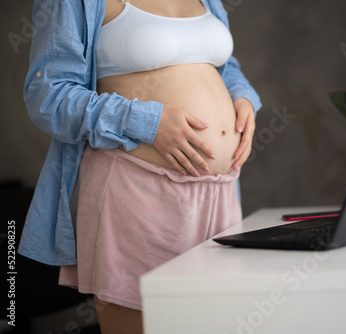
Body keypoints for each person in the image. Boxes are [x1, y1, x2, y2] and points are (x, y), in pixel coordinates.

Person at [18, 0, 261, 333]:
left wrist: (241, 95)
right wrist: (147, 121)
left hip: (220, 193)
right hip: (134, 192)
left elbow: (222, 64)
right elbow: (47, 95)